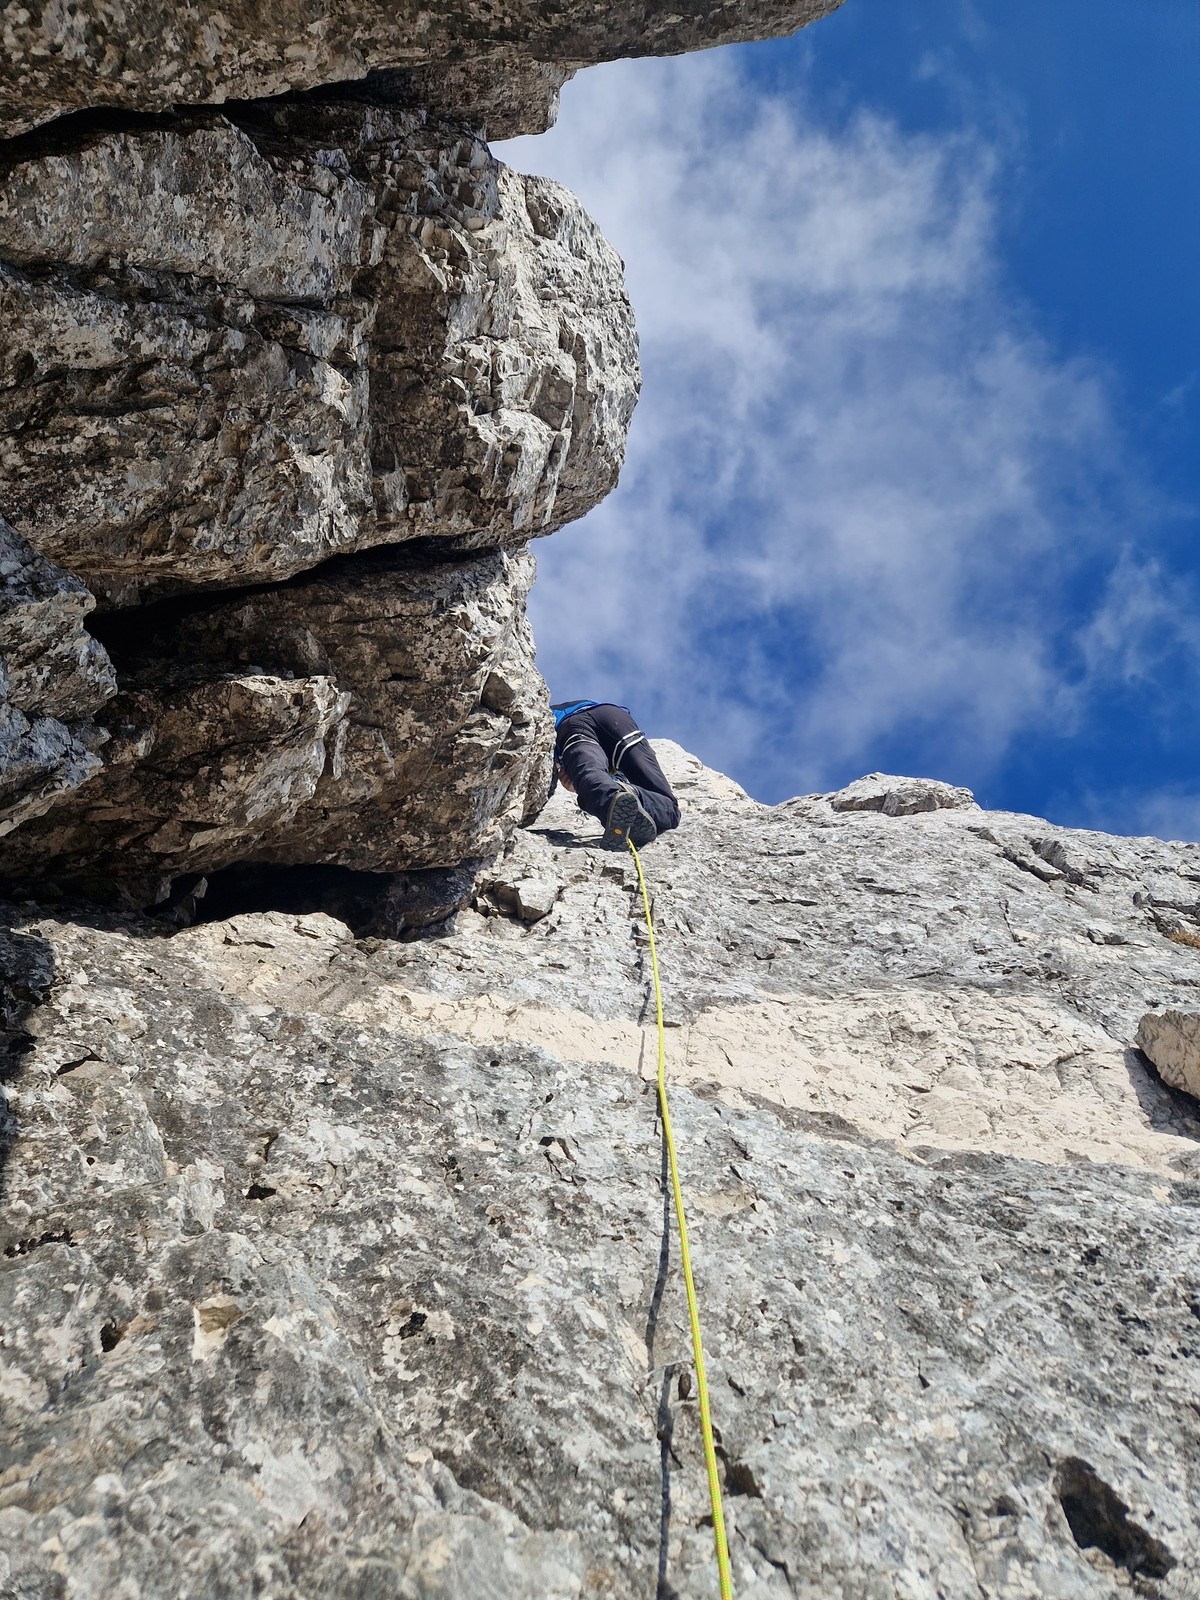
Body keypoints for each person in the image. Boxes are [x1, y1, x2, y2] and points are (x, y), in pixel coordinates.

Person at [550, 700, 680, 849]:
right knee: (670, 810)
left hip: (572, 727)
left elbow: (586, 771)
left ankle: (612, 794)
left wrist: (577, 781)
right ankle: (628, 792)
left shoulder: (548, 716)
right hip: (613, 716)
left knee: (592, 779)